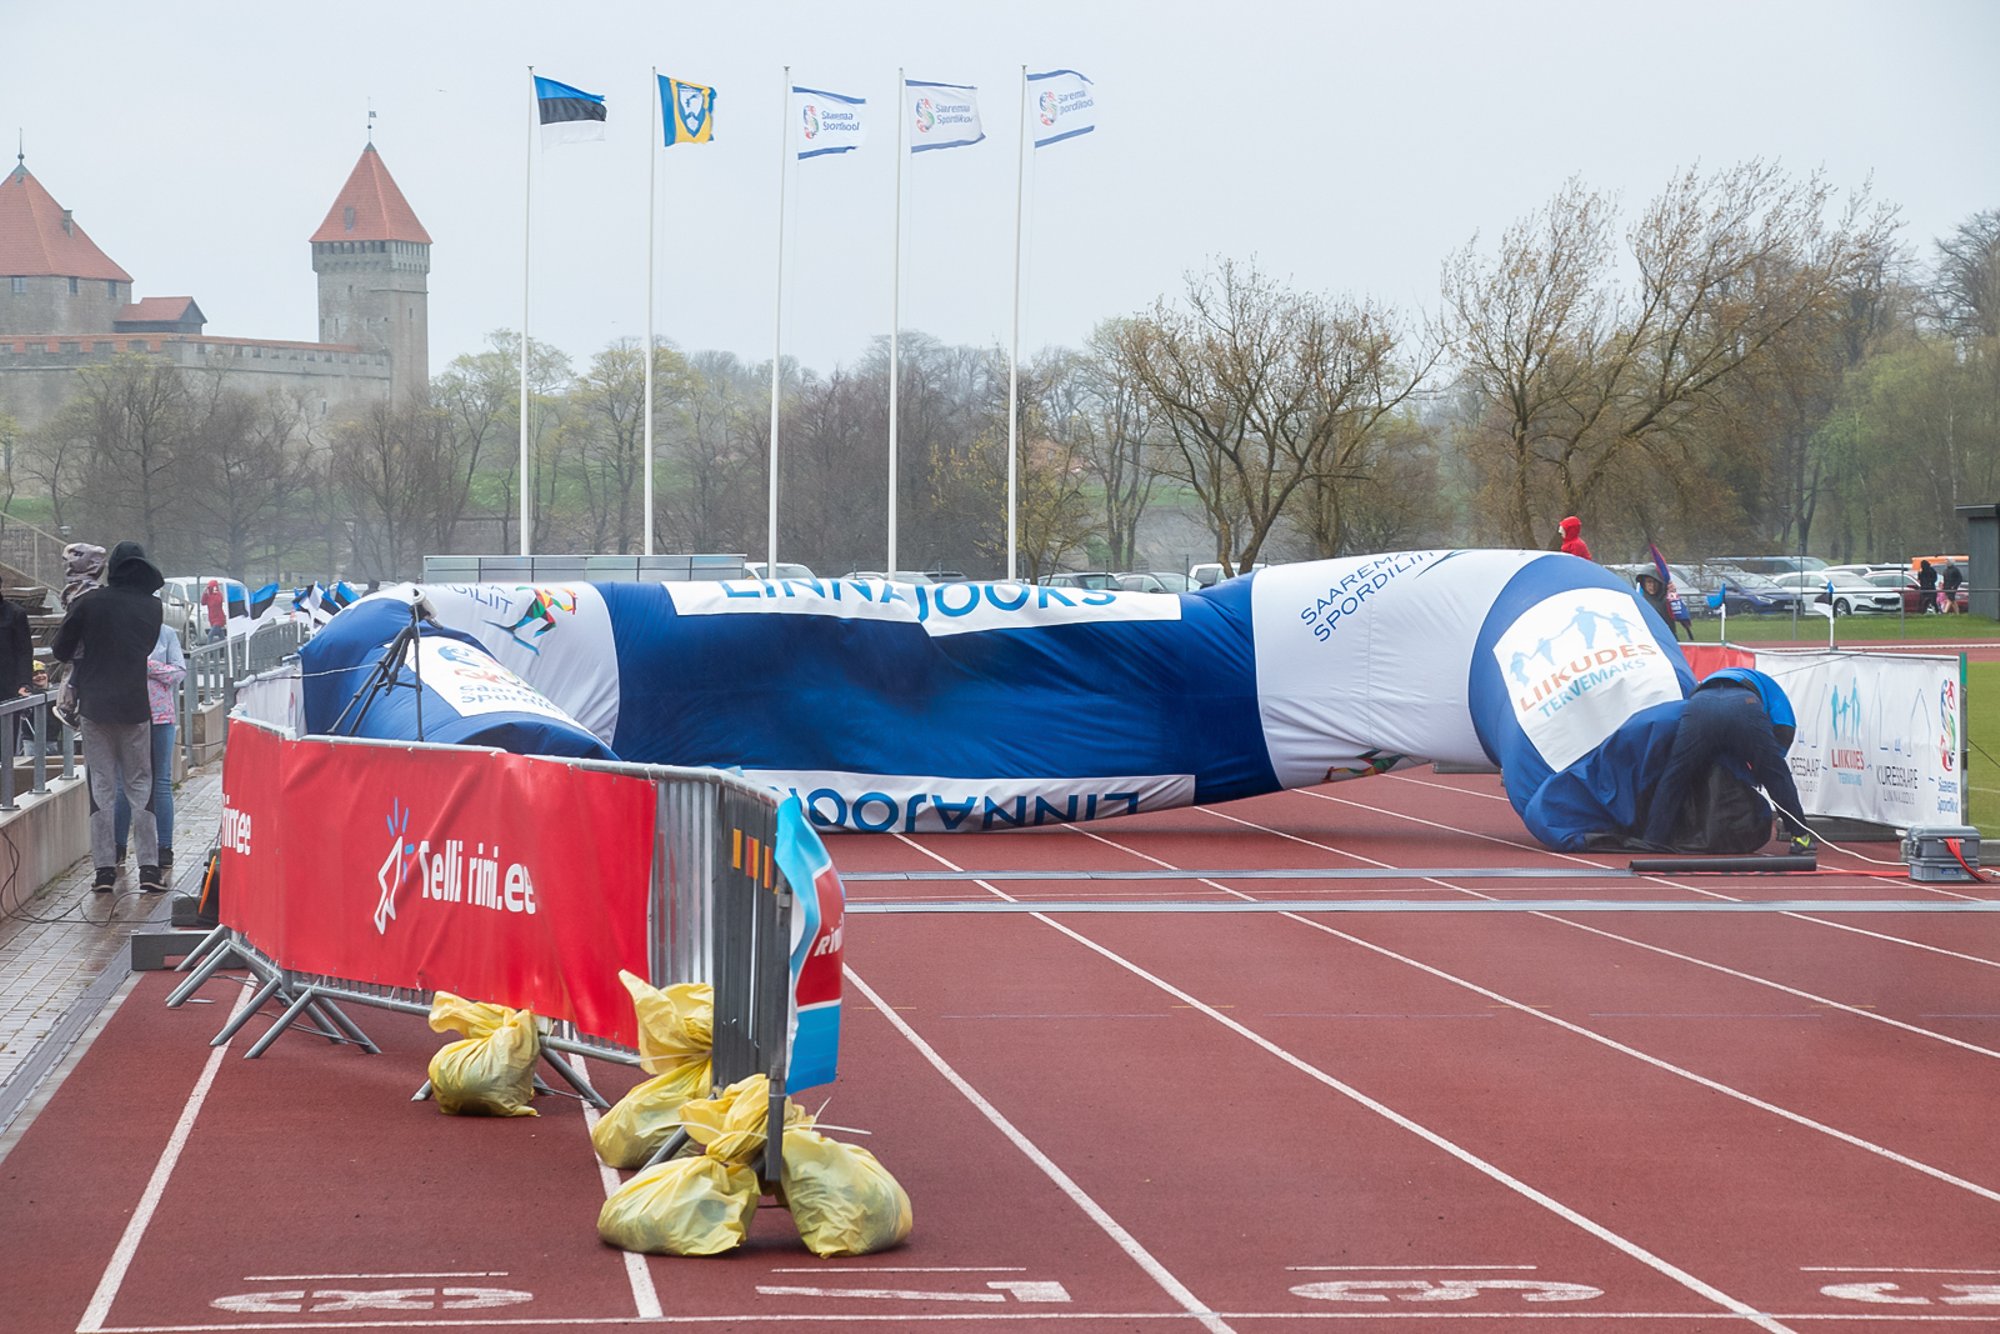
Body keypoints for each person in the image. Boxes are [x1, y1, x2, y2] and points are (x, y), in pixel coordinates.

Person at [50, 541, 167, 894]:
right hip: (135, 707)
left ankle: (104, 871)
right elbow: (144, 648)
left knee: (101, 788)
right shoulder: (153, 607)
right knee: (140, 788)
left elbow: (60, 649)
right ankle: (149, 869)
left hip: (96, 709)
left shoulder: (90, 602)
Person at [1642, 667, 1812, 852]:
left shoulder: (1708, 681)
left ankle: (1654, 839)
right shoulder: (1772, 689)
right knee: (1777, 776)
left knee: (1674, 776)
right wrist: (1762, 770)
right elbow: (1784, 728)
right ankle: (1800, 837)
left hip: (1699, 705)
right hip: (1745, 705)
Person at [112, 622, 186, 877]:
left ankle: (164, 846)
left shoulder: (166, 633)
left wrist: (145, 664)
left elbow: (177, 673)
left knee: (161, 783)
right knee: (124, 784)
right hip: (127, 716)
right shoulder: (119, 631)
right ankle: (117, 846)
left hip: (161, 718)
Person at [0, 592, 33, 754]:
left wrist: (24, 683)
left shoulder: (15, 614)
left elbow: (24, 651)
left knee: (5, 744)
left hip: (7, 688)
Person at [1635, 572, 1691, 642]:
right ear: (1643, 583)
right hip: (1647, 642)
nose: (1652, 586)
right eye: (1649, 582)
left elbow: (1684, 619)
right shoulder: (1640, 601)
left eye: (1655, 582)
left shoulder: (1668, 600)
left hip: (1669, 641)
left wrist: (1674, 597)